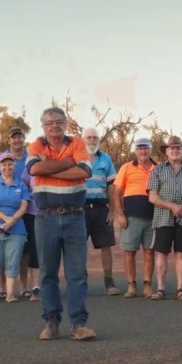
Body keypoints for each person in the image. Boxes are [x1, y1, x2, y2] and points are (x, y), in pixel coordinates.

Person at [26, 107, 96, 341]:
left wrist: (52, 168)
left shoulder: (76, 142)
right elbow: (34, 169)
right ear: (43, 125)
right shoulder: (37, 145)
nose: (54, 126)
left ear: (65, 123)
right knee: (47, 272)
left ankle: (78, 324)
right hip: (45, 217)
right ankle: (51, 321)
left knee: (77, 273)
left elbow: (84, 172)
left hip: (75, 216)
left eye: (58, 122)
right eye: (49, 123)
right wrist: (68, 163)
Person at [0, 126, 39, 300]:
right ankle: (3, 288)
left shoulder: (29, 158)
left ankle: (24, 286)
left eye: (20, 137)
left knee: (24, 250)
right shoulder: (0, 159)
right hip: (3, 210)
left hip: (26, 208)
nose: (17, 140)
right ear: (9, 140)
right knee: (2, 248)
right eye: (13, 137)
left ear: (23, 139)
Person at [147, 135, 182, 300]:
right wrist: (172, 206)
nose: (175, 150)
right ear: (166, 151)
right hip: (163, 218)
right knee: (161, 253)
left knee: (181, 253)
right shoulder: (158, 170)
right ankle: (160, 289)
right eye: (172, 148)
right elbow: (152, 197)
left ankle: (180, 288)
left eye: (178, 148)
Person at [0, 154, 32, 303]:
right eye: (4, 164)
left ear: (14, 167)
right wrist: (5, 219)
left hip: (17, 228)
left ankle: (10, 294)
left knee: (13, 260)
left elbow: (24, 206)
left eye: (10, 164)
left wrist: (12, 220)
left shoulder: (21, 185)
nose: (7, 167)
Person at [111, 137, 158, 297]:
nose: (143, 151)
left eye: (145, 148)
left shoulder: (158, 168)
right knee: (129, 251)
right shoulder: (126, 167)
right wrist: (120, 214)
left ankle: (147, 285)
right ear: (135, 150)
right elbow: (117, 193)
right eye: (139, 148)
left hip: (153, 218)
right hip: (131, 217)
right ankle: (131, 286)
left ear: (150, 149)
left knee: (149, 252)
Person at [81, 127, 119, 295]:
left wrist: (112, 211)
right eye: (88, 137)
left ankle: (109, 282)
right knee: (78, 246)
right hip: (79, 210)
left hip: (101, 209)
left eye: (94, 137)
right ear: (83, 139)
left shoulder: (105, 159)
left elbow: (112, 186)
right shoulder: (76, 157)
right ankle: (79, 282)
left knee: (106, 245)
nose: (91, 140)